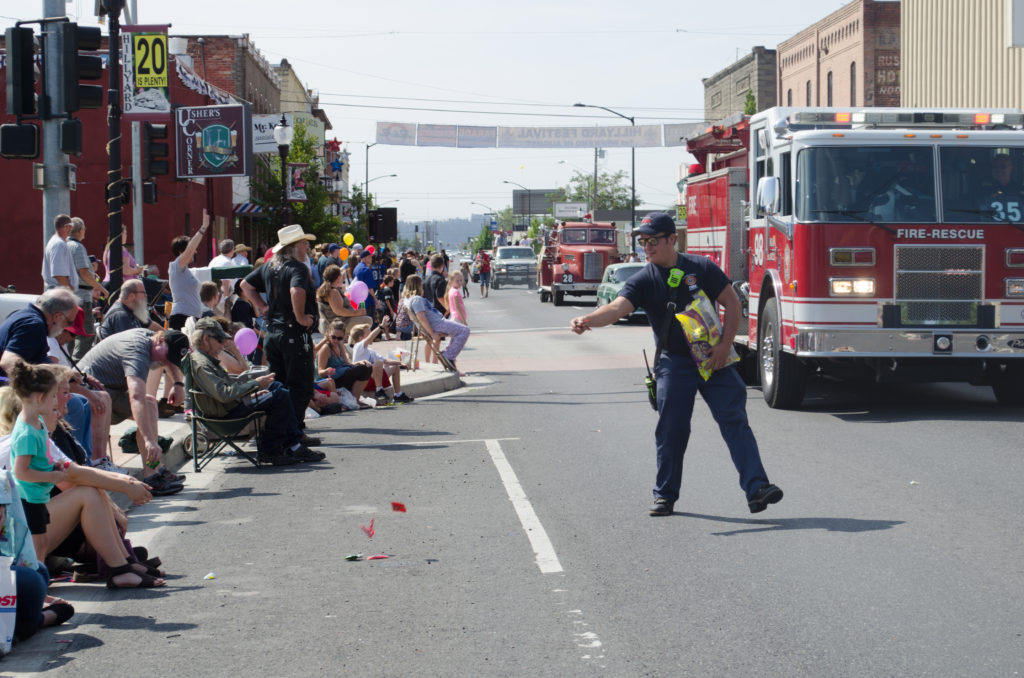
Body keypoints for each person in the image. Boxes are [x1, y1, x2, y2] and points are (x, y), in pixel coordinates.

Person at [569, 212, 783, 517]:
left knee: (734, 422)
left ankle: (757, 488)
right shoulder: (644, 279)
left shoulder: (701, 268)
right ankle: (665, 495)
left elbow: (732, 302)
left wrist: (725, 345)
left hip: (714, 359)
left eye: (653, 240)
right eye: (643, 241)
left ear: (672, 239)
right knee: (671, 430)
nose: (648, 247)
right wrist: (587, 320)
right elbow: (617, 308)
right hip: (675, 363)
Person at [0, 289, 110, 469]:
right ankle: (71, 466)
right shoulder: (32, 324)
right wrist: (36, 397)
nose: (68, 327)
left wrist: (62, 372)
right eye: (68, 322)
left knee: (79, 401)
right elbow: (9, 361)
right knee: (73, 405)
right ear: (57, 315)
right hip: (11, 393)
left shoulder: (26, 317)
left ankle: (82, 463)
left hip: (15, 390)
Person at [188, 318, 323, 465]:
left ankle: (291, 444)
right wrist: (255, 385)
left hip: (227, 408)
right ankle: (273, 449)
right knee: (280, 396)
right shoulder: (202, 364)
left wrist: (251, 393)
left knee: (275, 386)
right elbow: (224, 394)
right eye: (220, 340)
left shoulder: (205, 360)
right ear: (206, 339)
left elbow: (224, 392)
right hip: (225, 415)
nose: (223, 345)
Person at [77, 328, 189, 495]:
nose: (166, 361)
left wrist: (178, 384)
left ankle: (154, 470)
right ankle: (151, 475)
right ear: (159, 341)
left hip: (109, 391)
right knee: (147, 403)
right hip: (87, 396)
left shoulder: (152, 338)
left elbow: (168, 358)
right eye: (167, 355)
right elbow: (136, 397)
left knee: (150, 403)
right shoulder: (137, 351)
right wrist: (149, 440)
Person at [241, 224, 318, 429]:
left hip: (273, 333)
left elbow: (245, 286)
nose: (307, 247)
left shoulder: (269, 266)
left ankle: (285, 433)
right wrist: (301, 317)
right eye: (303, 243)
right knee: (300, 386)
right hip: (292, 333)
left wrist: (263, 306)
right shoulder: (296, 267)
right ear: (293, 246)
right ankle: (294, 434)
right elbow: (296, 291)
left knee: (280, 386)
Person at [406, 278, 470, 373]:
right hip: (438, 324)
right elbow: (421, 316)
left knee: (459, 331)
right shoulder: (416, 299)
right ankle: (449, 355)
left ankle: (448, 354)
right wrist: (432, 333)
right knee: (464, 330)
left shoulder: (411, 299)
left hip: (438, 322)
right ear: (418, 285)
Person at [66, 217, 106, 361]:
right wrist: (102, 289)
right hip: (81, 296)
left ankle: (70, 363)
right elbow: (83, 272)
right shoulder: (77, 247)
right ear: (80, 230)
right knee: (86, 333)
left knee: (70, 333)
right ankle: (78, 363)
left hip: (68, 296)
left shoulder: (63, 246)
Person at [168, 209, 211, 330]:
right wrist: (203, 228)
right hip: (181, 318)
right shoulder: (175, 267)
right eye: (190, 250)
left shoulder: (186, 271)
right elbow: (192, 248)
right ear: (182, 252)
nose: (195, 251)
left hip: (192, 318)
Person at [349, 321, 411, 403]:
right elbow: (370, 338)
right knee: (378, 363)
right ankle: (379, 391)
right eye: (369, 334)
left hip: (372, 379)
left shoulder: (370, 351)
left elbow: (385, 360)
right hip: (364, 381)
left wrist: (400, 363)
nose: (372, 336)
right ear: (361, 338)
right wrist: (380, 326)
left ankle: (398, 394)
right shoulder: (358, 347)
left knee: (394, 367)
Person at [317, 319, 373, 401]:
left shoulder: (340, 345)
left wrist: (358, 363)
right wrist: (327, 371)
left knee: (367, 367)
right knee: (363, 369)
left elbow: (347, 364)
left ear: (344, 336)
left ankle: (355, 399)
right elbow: (320, 373)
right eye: (333, 337)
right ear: (329, 333)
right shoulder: (326, 348)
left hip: (341, 375)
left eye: (339, 338)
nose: (336, 340)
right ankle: (354, 400)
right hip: (331, 380)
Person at [316, 264, 372, 336]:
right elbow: (339, 311)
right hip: (338, 324)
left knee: (365, 317)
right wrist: (355, 313)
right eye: (341, 274)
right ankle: (353, 342)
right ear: (338, 277)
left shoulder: (330, 289)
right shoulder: (333, 292)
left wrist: (359, 306)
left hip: (339, 321)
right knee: (367, 321)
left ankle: (352, 341)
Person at [96, 278, 161, 340]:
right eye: (143, 292)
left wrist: (167, 336)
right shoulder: (121, 315)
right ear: (132, 296)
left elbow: (150, 325)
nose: (146, 295)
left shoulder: (133, 309)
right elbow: (132, 342)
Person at [41, 214, 78, 292]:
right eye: (71, 226)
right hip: (59, 293)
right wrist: (70, 291)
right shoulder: (59, 244)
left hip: (58, 291)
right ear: (67, 227)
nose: (72, 229)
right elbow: (59, 274)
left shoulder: (56, 242)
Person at [352, 249, 380, 325]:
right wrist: (375, 299)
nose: (371, 259)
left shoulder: (356, 268)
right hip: (367, 299)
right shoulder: (366, 269)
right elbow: (369, 288)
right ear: (365, 258)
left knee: (361, 320)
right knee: (369, 321)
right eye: (370, 257)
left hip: (359, 300)